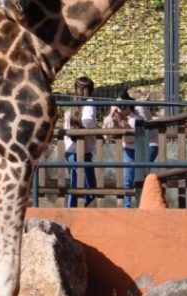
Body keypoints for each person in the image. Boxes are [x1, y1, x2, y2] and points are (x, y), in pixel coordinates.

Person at [103, 88, 159, 207]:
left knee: (142, 177)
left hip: (147, 144)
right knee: (127, 179)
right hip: (129, 146)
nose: (121, 108)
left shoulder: (139, 107)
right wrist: (111, 114)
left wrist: (129, 114)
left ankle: (143, 206)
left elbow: (141, 128)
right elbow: (105, 134)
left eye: (123, 105)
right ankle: (127, 207)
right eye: (118, 105)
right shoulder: (115, 113)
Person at [64, 76, 98, 208]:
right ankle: (85, 207)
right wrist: (95, 130)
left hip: (71, 150)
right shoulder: (89, 102)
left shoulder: (73, 103)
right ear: (91, 90)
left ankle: (72, 207)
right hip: (82, 150)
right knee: (90, 186)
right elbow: (88, 120)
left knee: (75, 181)